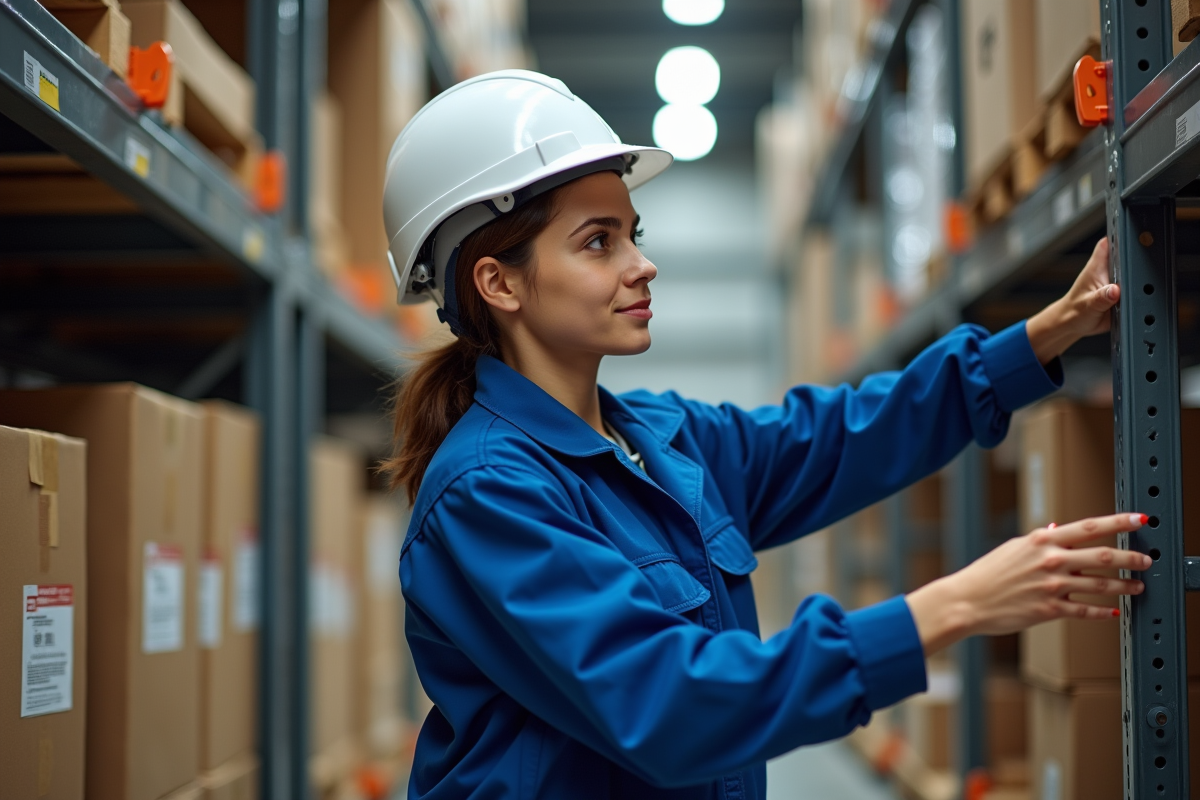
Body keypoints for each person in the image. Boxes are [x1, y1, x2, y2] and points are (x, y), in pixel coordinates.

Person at [380, 70, 1148, 799]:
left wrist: (1039, 339)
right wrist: (954, 607)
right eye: (597, 242)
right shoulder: (489, 492)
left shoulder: (661, 439)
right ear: (499, 282)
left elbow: (841, 437)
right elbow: (671, 704)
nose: (643, 265)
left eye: (632, 234)